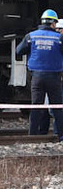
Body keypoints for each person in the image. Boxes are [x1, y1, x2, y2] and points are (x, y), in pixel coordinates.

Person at [15, 9, 63, 139]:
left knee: (36, 107)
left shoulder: (31, 36)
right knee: (58, 107)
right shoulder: (59, 38)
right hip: (54, 77)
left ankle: (33, 136)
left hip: (36, 77)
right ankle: (60, 136)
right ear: (53, 23)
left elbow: (18, 51)